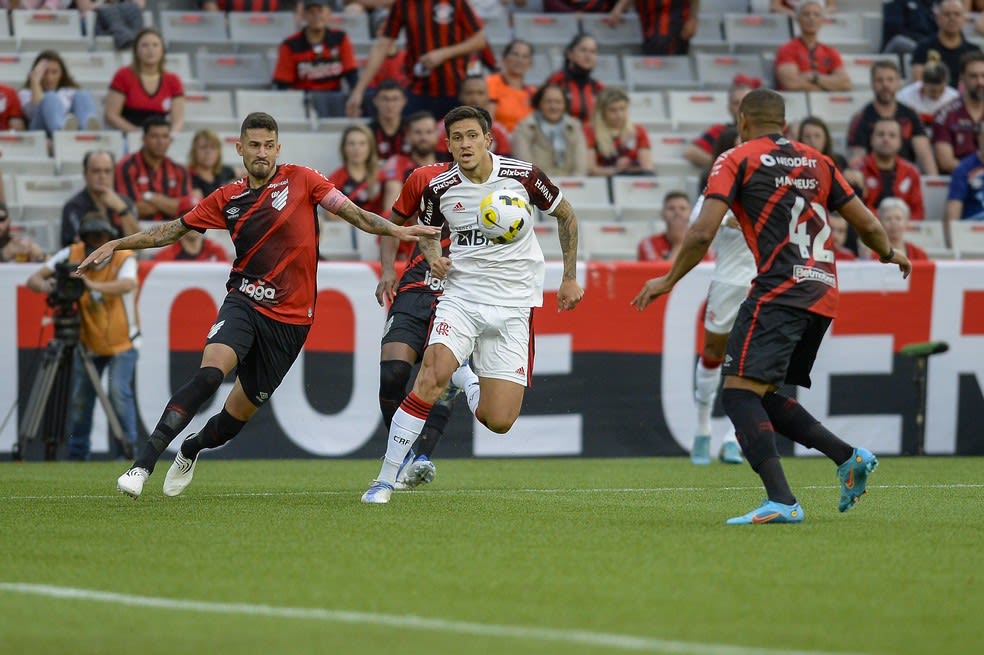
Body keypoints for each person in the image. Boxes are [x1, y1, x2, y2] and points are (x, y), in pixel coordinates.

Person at [75, 111, 438, 499]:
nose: (261, 152)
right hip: (245, 302)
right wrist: (118, 243)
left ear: (278, 148)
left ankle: (191, 448)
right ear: (241, 149)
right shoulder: (227, 198)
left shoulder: (303, 179)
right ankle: (141, 465)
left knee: (232, 421)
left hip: (291, 323)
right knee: (210, 375)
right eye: (254, 145)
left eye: (268, 145)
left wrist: (398, 230)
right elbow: (172, 230)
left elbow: (355, 214)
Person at [631, 88, 912, 525]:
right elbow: (869, 224)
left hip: (778, 291)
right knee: (761, 393)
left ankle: (782, 500)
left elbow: (703, 232)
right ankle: (847, 456)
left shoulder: (736, 158)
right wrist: (890, 253)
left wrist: (668, 279)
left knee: (738, 394)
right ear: (784, 122)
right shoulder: (819, 161)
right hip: (822, 293)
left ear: (743, 120)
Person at [361, 105, 584, 504]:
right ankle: (385, 478)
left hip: (515, 304)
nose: (465, 144)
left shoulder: (523, 176)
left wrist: (569, 277)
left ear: (488, 140)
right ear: (447, 144)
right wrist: (433, 259)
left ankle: (475, 382)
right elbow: (428, 233)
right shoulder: (438, 186)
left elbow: (566, 215)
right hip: (462, 297)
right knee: (431, 376)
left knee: (499, 421)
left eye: (472, 136)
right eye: (457, 138)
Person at [27, 212, 140, 460]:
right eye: (92, 237)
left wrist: (90, 285)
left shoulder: (123, 255)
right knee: (81, 400)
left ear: (110, 237)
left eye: (101, 237)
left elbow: (128, 285)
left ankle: (129, 453)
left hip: (123, 340)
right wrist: (51, 287)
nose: (97, 243)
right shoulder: (73, 253)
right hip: (87, 341)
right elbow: (34, 279)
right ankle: (79, 454)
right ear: (84, 238)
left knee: (119, 394)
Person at [682, 126, 754, 466]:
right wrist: (725, 218)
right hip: (727, 282)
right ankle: (702, 430)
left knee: (751, 363)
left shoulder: (765, 184)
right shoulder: (717, 188)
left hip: (764, 283)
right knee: (713, 354)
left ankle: (733, 438)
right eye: (738, 144)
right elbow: (697, 222)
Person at [344, 0, 487, 119]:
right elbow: (382, 45)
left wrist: (444, 53)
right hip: (418, 89)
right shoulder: (403, 3)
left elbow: (480, 40)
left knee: (458, 146)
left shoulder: (456, 2)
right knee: (414, 141)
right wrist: (358, 91)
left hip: (455, 89)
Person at [845, 60, 937, 175]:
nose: (885, 85)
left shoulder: (910, 115)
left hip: (906, 178)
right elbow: (856, 159)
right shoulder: (861, 118)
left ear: (898, 82)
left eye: (890, 80)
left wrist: (934, 181)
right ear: (872, 83)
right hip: (871, 179)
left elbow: (924, 154)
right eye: (879, 80)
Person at [271, 0, 358, 118]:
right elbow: (283, 85)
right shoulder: (290, 45)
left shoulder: (340, 38)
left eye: (320, 11)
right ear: (304, 15)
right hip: (303, 102)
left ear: (329, 13)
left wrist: (355, 96)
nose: (316, 16)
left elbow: (352, 74)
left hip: (334, 99)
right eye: (311, 12)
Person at [115, 116, 199, 222]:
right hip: (135, 231)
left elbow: (184, 209)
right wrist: (169, 205)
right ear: (143, 138)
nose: (160, 142)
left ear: (170, 140)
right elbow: (130, 209)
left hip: (171, 232)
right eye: (154, 136)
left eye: (165, 136)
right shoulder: (126, 166)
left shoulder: (180, 171)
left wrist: (149, 196)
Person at [105, 28, 185, 133]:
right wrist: (138, 134)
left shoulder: (173, 80)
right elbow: (111, 115)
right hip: (129, 133)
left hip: (160, 138)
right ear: (136, 50)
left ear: (162, 50)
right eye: (145, 45)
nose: (150, 50)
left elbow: (178, 121)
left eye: (155, 45)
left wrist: (168, 138)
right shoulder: (123, 75)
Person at [62, 150, 140, 248]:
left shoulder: (126, 203)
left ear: (113, 174)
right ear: (85, 174)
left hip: (123, 260)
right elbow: (78, 246)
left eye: (107, 171)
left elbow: (138, 246)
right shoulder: (73, 207)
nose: (102, 176)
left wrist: (122, 210)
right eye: (96, 171)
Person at [511, 83, 589, 178]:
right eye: (548, 102)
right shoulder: (525, 127)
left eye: (558, 102)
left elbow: (581, 165)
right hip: (537, 187)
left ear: (565, 105)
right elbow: (524, 166)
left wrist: (574, 184)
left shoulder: (574, 127)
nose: (553, 107)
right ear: (539, 103)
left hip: (572, 185)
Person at [774, 0, 851, 93]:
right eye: (806, 14)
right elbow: (791, 83)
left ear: (822, 20)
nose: (811, 18)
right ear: (798, 19)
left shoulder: (830, 52)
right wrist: (827, 86)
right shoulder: (787, 49)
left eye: (816, 14)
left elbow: (845, 83)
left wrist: (814, 77)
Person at [18, 51, 101, 136]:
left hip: (73, 132)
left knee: (83, 95)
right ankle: (61, 131)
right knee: (50, 97)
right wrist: (35, 82)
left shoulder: (69, 91)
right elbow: (33, 112)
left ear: (62, 73)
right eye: (44, 72)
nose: (49, 77)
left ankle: (88, 130)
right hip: (41, 134)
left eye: (54, 72)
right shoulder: (25, 93)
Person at [857, 118, 925, 221]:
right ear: (871, 139)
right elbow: (857, 208)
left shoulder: (911, 172)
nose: (886, 139)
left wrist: (899, 224)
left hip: (903, 231)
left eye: (892, 135)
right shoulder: (858, 169)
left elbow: (918, 211)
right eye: (880, 134)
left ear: (900, 142)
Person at [932, 50, 984, 174]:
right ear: (962, 78)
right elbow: (946, 162)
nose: (980, 82)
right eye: (973, 76)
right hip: (960, 182)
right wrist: (978, 174)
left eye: (983, 75)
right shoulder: (945, 114)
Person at [436, 75, 512, 159]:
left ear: (488, 97)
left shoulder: (498, 131)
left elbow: (505, 163)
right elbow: (439, 163)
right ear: (460, 96)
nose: (475, 98)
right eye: (469, 93)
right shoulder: (444, 128)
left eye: (480, 93)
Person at [683, 81, 753, 170]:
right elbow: (690, 152)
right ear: (729, 108)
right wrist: (723, 165)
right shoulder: (719, 131)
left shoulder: (766, 131)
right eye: (736, 103)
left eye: (745, 101)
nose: (741, 107)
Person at [585, 87, 653, 177]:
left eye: (622, 109)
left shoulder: (639, 131)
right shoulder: (590, 132)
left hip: (632, 180)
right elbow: (591, 169)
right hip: (603, 181)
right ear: (602, 112)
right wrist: (616, 169)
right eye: (612, 110)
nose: (619, 115)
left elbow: (647, 167)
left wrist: (629, 166)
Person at [910, 0, 980, 87]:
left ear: (964, 19)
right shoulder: (923, 48)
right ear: (937, 19)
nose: (952, 18)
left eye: (957, 14)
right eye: (947, 14)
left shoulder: (974, 51)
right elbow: (918, 85)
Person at [326, 124, 387, 219]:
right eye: (351, 144)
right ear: (344, 148)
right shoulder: (335, 178)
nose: (356, 148)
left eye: (362, 143)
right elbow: (330, 215)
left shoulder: (382, 175)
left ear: (370, 147)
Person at [545, 34, 604, 124]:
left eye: (593, 52)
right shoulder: (556, 81)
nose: (588, 56)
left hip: (589, 135)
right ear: (570, 54)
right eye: (583, 50)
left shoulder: (599, 87)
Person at [607, 0, 698, 56]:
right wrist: (619, 7)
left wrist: (693, 18)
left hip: (672, 17)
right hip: (649, 18)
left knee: (662, 48)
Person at [945, 123, 984, 244]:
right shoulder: (964, 169)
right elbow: (953, 210)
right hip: (973, 233)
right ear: (978, 138)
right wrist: (952, 245)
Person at [896, 61, 960, 134]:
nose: (937, 95)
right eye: (932, 91)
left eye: (941, 90)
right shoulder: (904, 97)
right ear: (923, 83)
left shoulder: (955, 97)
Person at [486, 39, 536, 133]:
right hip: (498, 140)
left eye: (525, 56)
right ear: (504, 58)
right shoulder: (491, 82)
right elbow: (488, 122)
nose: (519, 60)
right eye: (515, 54)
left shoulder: (533, 92)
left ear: (530, 64)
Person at [637, 191, 694, 262]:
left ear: (691, 214)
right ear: (662, 214)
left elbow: (705, 271)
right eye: (671, 208)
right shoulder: (648, 244)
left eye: (682, 208)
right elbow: (658, 272)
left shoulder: (701, 243)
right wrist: (678, 244)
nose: (677, 212)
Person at [187, 129, 239, 198]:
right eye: (203, 147)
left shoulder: (224, 171)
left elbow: (244, 173)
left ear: (218, 152)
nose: (208, 152)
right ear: (194, 151)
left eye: (213, 148)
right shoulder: (187, 176)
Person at [873, 198, 929, 262]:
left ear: (906, 222)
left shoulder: (920, 255)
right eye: (888, 219)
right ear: (880, 222)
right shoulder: (872, 255)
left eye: (898, 218)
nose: (893, 223)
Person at [368, 80, 410, 162]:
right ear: (375, 101)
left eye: (395, 99)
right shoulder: (367, 132)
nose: (390, 105)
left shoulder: (412, 129)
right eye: (385, 99)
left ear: (404, 101)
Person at [152, 230, 229, 263]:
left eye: (198, 218)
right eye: (188, 218)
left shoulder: (217, 252)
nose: (193, 224)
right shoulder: (165, 256)